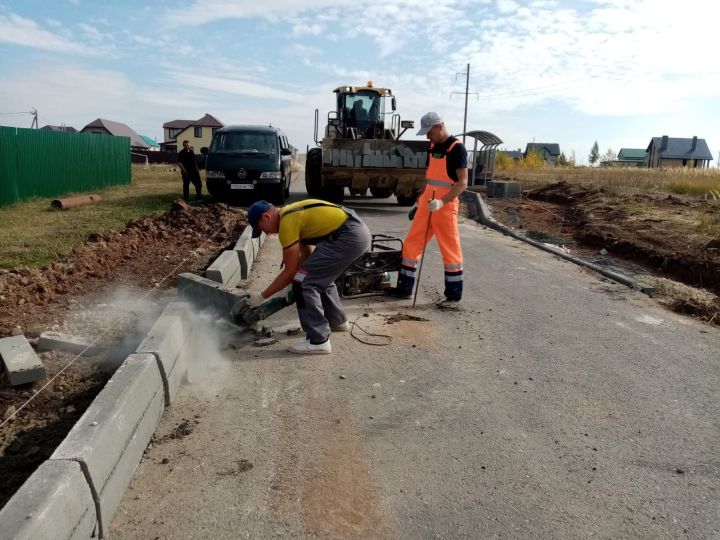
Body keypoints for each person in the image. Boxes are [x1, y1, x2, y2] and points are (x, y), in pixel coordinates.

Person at [245, 198, 372, 355]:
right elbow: (308, 259)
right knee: (315, 277)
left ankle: (318, 340)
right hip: (356, 233)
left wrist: (262, 296)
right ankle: (337, 321)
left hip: (347, 237)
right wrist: (296, 279)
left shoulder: (287, 223)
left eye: (261, 228)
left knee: (304, 283)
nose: (266, 232)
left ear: (266, 217)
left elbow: (290, 272)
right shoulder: (293, 214)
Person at [386, 112, 468, 308]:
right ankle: (405, 289)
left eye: (429, 132)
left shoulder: (457, 149)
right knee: (411, 245)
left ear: (440, 126)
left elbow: (462, 183)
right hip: (426, 205)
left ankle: (454, 296)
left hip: (444, 207)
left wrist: (441, 202)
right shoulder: (432, 147)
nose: (426, 136)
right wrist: (418, 202)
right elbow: (430, 179)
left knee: (450, 251)